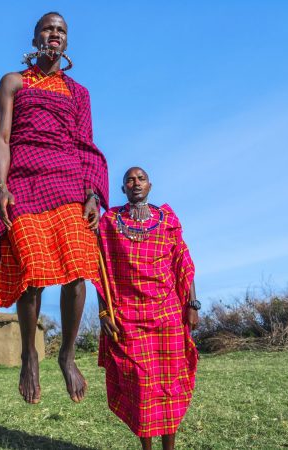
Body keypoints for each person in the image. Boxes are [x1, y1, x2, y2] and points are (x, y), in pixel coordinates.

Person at [0, 12, 109, 404]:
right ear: (35, 38)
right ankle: (30, 351)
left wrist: (93, 193)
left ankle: (66, 353)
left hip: (68, 182)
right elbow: (1, 138)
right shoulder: (13, 82)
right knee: (31, 271)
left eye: (61, 30)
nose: (55, 34)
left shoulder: (78, 92)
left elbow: (86, 145)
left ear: (66, 42)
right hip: (25, 182)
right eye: (48, 29)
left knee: (79, 267)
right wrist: (0, 187)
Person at [95, 167, 200, 450]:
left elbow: (183, 262)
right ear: (123, 189)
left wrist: (192, 303)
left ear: (150, 186)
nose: (136, 183)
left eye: (141, 178)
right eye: (130, 179)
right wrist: (104, 312)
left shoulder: (167, 219)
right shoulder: (110, 221)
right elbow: (100, 268)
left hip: (167, 314)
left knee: (170, 386)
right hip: (127, 316)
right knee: (140, 386)